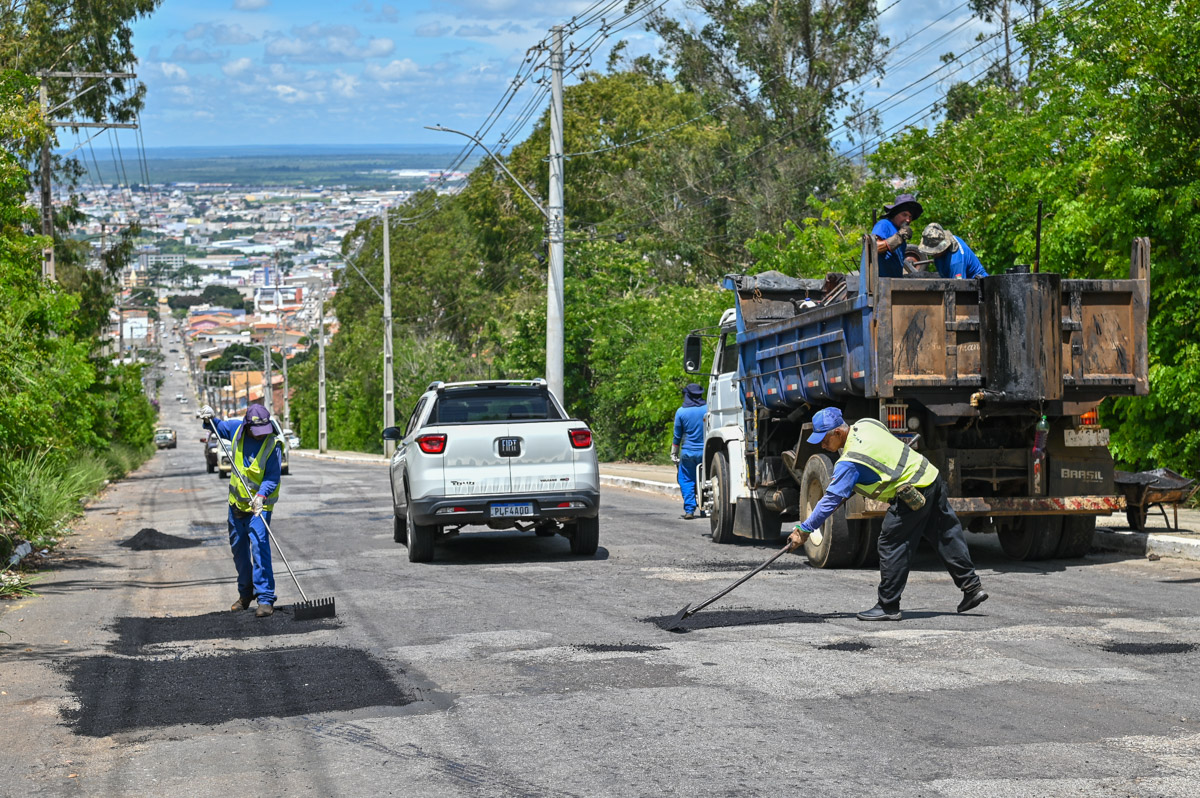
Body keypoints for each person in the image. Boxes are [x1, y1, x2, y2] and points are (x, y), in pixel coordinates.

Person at [787, 407, 988, 621]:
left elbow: (830, 501)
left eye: (825, 439)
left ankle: (888, 606)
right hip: (930, 477)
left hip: (912, 491)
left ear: (838, 433)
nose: (822, 445)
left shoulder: (850, 460)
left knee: (891, 542)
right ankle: (972, 588)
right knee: (944, 534)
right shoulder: (866, 423)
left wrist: (805, 529)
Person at [199, 402, 283, 618]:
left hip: (259, 506)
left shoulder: (273, 445)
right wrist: (209, 417)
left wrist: (261, 496)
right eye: (256, 433)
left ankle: (265, 599)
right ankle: (246, 594)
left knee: (259, 544)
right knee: (239, 550)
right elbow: (216, 426)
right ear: (247, 426)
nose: (260, 436)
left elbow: (272, 477)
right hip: (236, 505)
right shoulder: (236, 429)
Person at [671, 383, 706, 520]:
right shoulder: (709, 409)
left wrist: (674, 452)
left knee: (685, 479)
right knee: (707, 479)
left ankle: (690, 509)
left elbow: (677, 435)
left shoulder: (681, 412)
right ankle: (706, 508)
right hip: (706, 452)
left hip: (688, 452)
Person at [873, 193, 923, 278]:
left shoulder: (899, 230)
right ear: (895, 213)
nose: (908, 219)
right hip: (881, 282)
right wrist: (898, 238)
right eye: (904, 215)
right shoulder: (884, 224)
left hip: (894, 282)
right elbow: (874, 248)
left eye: (910, 216)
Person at [917, 222, 989, 279]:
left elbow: (959, 289)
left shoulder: (956, 263)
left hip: (975, 286)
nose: (932, 255)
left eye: (933, 252)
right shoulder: (949, 239)